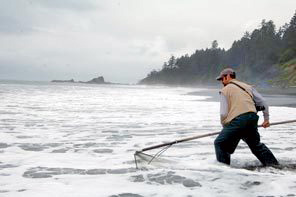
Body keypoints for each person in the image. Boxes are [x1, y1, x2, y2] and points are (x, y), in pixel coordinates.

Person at [214, 68, 279, 166]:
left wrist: (225, 128)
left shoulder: (225, 90)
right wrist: (266, 120)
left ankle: (224, 171)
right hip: (252, 118)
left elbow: (223, 113)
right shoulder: (248, 87)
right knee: (255, 145)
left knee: (220, 143)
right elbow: (263, 102)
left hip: (239, 120)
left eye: (222, 79)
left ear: (227, 76)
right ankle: (274, 166)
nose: (221, 82)